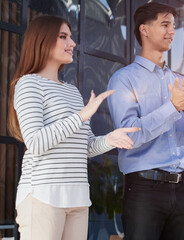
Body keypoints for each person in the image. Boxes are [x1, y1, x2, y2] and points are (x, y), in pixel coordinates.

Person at [7, 16, 138, 240]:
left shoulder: (72, 91)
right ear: (42, 41)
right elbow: (36, 143)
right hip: (42, 196)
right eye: (63, 36)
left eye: (70, 36)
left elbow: (84, 147)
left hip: (77, 198)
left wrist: (110, 139)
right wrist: (81, 115)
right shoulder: (28, 84)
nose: (73, 43)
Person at [107, 3, 184, 240]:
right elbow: (129, 137)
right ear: (144, 30)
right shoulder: (124, 79)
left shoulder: (182, 81)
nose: (172, 31)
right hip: (145, 189)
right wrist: (173, 107)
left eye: (173, 26)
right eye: (165, 24)